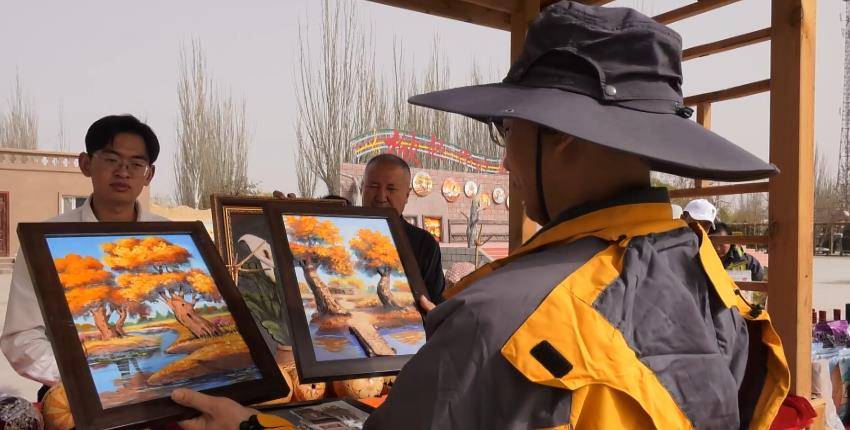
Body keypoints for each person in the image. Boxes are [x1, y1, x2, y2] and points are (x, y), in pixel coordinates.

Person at [170, 2, 789, 428]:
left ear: (561, 136)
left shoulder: (499, 316)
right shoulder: (705, 273)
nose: (506, 158)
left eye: (508, 130)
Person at [1, 114, 166, 399]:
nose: (123, 172)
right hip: (72, 392)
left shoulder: (171, 237)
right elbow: (22, 336)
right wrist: (84, 379)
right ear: (86, 164)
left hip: (164, 390)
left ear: (149, 174)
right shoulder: (45, 240)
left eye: (136, 164)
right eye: (112, 160)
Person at [359, 154, 446, 304]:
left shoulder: (424, 244)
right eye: (373, 186)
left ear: (407, 195)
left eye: (391, 189)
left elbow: (436, 304)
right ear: (362, 188)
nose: (381, 196)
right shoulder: (342, 231)